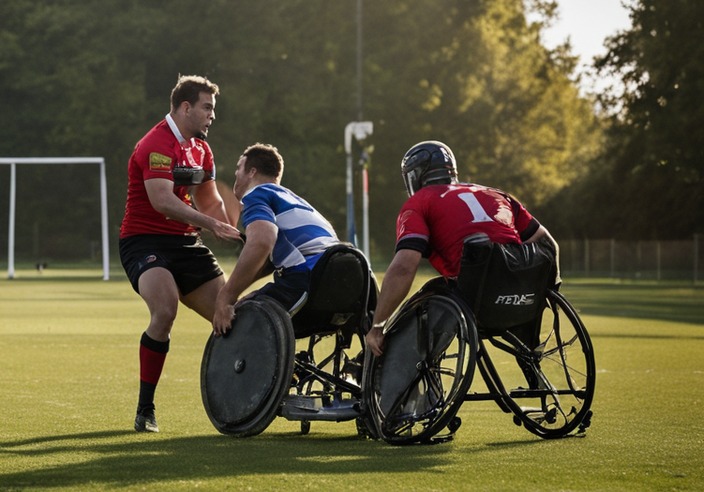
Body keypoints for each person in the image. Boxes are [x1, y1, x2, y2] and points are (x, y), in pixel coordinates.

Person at [119, 75, 242, 433]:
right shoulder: (155, 143)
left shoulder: (201, 148)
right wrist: (210, 223)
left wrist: (237, 231)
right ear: (186, 107)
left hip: (186, 243)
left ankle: (253, 398)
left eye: (213, 109)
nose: (212, 116)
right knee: (166, 308)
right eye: (207, 107)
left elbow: (209, 200)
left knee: (233, 314)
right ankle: (145, 409)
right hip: (144, 241)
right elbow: (162, 202)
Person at [366, 141, 557, 358]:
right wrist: (548, 289)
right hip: (523, 298)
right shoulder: (497, 194)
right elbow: (547, 243)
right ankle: (533, 367)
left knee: (423, 299)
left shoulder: (419, 203)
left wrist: (378, 325)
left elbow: (404, 267)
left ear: (416, 176)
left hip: (476, 301)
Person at [212, 143, 342, 336]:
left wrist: (225, 297)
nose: (236, 174)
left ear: (251, 172)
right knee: (251, 299)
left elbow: (262, 241)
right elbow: (269, 260)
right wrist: (237, 288)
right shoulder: (297, 201)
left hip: (309, 277)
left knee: (242, 320)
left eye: (239, 168)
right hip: (343, 275)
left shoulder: (256, 195)